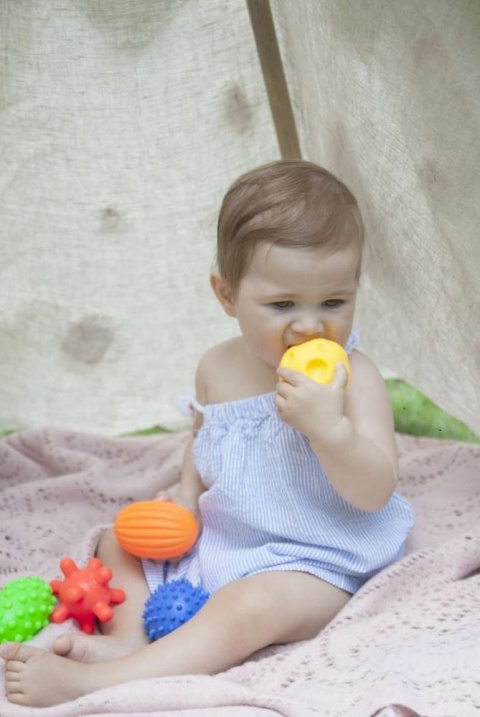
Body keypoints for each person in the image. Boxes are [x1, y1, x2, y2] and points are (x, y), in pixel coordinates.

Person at [1, 159, 415, 707]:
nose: (310, 325)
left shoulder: (354, 378)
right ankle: (128, 640)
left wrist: (330, 431)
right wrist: (186, 498)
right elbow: (203, 440)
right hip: (230, 537)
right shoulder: (217, 368)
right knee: (119, 541)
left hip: (320, 560)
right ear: (227, 295)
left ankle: (103, 681)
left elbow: (376, 490)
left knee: (249, 606)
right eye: (283, 305)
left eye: (333, 302)